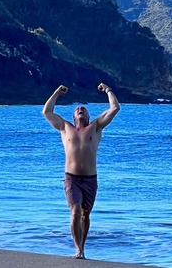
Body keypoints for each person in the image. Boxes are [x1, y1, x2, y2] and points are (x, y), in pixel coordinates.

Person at [42, 82, 120, 260]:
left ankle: (83, 248)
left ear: (88, 114)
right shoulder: (65, 127)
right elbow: (46, 112)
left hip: (91, 179)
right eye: (77, 109)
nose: (80, 109)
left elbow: (115, 108)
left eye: (83, 109)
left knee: (85, 215)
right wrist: (56, 92)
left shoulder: (96, 126)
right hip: (72, 178)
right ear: (73, 115)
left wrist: (107, 90)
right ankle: (78, 250)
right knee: (75, 212)